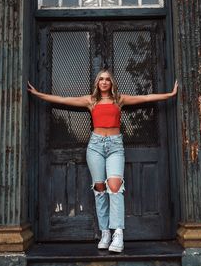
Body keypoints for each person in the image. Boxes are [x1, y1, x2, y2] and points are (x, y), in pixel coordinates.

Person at [28, 69, 178, 253]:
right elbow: (63, 99)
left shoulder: (119, 100)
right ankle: (105, 231)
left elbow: (146, 98)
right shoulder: (91, 101)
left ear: (112, 83)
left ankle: (118, 234)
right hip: (95, 147)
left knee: (115, 187)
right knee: (100, 190)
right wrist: (37, 94)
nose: (104, 82)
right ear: (97, 83)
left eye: (107, 79)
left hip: (115, 146)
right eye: (101, 79)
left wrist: (170, 94)